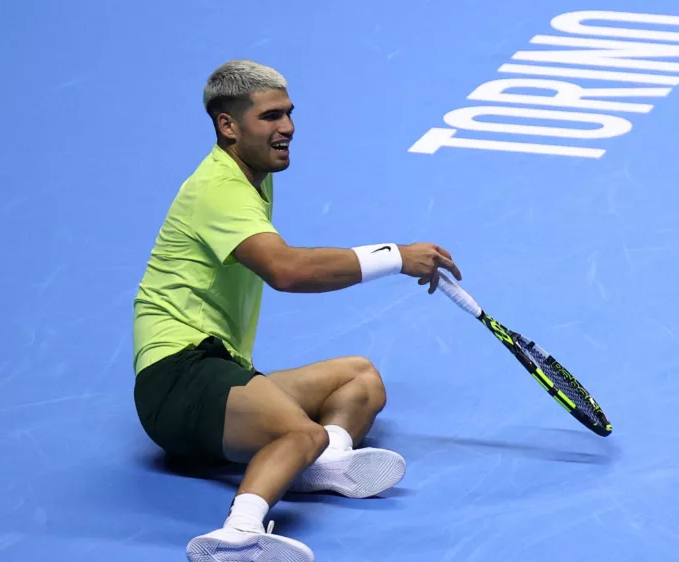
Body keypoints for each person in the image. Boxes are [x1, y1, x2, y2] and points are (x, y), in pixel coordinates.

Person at [131, 59, 463, 561]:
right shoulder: (218, 189)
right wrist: (394, 256)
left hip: (218, 372)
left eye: (287, 113)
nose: (286, 127)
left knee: (360, 380)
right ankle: (237, 536)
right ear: (228, 126)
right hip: (177, 379)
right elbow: (286, 271)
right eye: (269, 117)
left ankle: (318, 464)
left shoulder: (252, 175)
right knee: (298, 430)